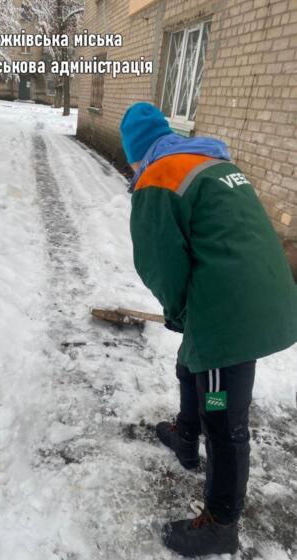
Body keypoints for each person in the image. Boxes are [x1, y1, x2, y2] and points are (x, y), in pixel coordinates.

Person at [119, 102, 297, 557]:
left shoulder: (158, 176)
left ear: (135, 151)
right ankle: (184, 436)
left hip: (230, 316)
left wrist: (179, 311)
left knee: (222, 413)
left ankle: (220, 523)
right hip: (254, 294)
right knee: (188, 365)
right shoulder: (211, 162)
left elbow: (160, 266)